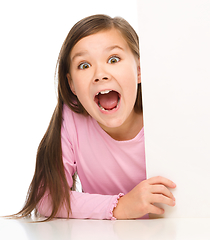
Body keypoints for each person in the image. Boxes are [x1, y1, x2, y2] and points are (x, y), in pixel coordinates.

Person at [12, 14, 176, 221]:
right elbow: (47, 197)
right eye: (84, 65)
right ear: (72, 85)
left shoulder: (169, 118)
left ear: (140, 69)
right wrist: (120, 207)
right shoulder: (72, 119)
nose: (100, 74)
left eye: (113, 59)